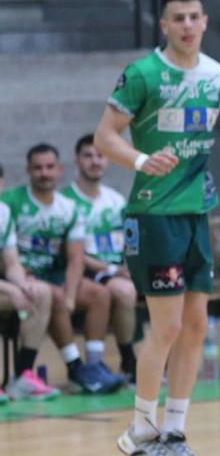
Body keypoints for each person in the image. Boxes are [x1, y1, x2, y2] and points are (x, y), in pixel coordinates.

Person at [94, 0, 220, 455]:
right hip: (154, 216)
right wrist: (141, 159)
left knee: (195, 326)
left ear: (205, 22)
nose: (187, 25)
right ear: (164, 25)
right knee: (166, 326)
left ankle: (174, 430)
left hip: (195, 215)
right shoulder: (142, 74)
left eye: (194, 16)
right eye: (178, 18)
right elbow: (104, 137)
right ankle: (141, 428)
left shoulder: (216, 75)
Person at [1, 144, 124, 396]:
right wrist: (17, 284)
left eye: (49, 167)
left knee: (99, 294)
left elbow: (76, 259)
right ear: (28, 171)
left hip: (47, 276)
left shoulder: (66, 207)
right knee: (49, 295)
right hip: (24, 280)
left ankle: (94, 364)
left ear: (59, 170)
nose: (44, 173)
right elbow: (11, 264)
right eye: (38, 168)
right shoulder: (12, 202)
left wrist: (67, 295)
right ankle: (75, 368)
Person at [62, 134, 138, 381]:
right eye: (88, 155)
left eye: (100, 155)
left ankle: (162, 361)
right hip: (86, 271)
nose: (95, 161)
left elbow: (129, 242)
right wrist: (113, 270)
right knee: (124, 291)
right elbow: (73, 254)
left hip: (116, 270)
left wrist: (128, 267)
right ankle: (129, 360)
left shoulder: (116, 200)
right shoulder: (66, 201)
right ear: (77, 161)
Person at [0, 162, 58, 402]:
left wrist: (23, 284)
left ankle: (22, 376)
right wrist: (9, 290)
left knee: (41, 293)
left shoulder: (2, 212)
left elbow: (11, 263)